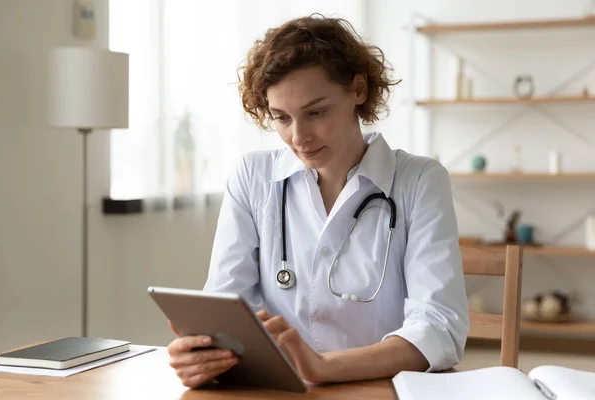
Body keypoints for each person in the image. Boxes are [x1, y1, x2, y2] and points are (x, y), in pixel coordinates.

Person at [167, 14, 469, 389]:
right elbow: (227, 308)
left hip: (379, 390)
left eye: (316, 112)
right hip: (279, 391)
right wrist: (203, 354)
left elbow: (439, 327)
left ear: (358, 90)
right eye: (281, 118)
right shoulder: (253, 177)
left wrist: (323, 367)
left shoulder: (419, 180)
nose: (299, 137)